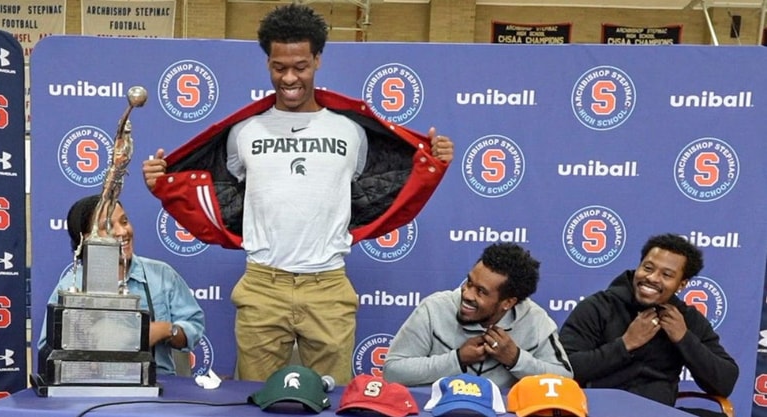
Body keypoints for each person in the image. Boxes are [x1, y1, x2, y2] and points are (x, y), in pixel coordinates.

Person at [142, 4, 453, 384]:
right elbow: (214, 190)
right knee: (253, 400)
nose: (289, 77)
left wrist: (432, 160)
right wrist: (163, 181)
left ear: (318, 60)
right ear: (268, 63)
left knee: (332, 398)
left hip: (329, 287)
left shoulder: (350, 132)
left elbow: (385, 185)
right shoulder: (245, 133)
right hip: (261, 286)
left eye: (300, 66)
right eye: (279, 67)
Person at [559, 233, 738, 417]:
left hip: (658, 412)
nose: (652, 278)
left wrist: (684, 339)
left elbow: (724, 382)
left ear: (681, 284)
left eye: (666, 275)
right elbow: (564, 368)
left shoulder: (685, 318)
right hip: (599, 410)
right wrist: (626, 345)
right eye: (648, 268)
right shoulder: (599, 306)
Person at [37, 194, 205, 375]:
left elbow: (194, 327)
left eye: (124, 222)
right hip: (92, 390)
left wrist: (165, 330)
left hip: (158, 389)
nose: (122, 232)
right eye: (108, 227)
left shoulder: (161, 275)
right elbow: (47, 348)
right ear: (86, 238)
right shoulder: (70, 286)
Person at [383, 243, 573, 387]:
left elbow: (564, 380)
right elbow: (392, 371)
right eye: (469, 282)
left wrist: (515, 359)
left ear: (508, 302)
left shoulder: (536, 321)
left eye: (481, 291)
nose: (466, 294)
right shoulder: (434, 308)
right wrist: (456, 359)